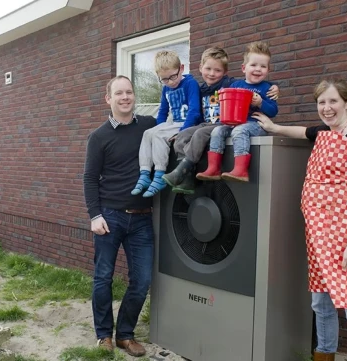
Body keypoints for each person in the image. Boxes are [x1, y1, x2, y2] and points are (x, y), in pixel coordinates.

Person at [256, 78, 347, 361]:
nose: (327, 108)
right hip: (323, 236)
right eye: (322, 102)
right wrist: (274, 128)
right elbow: (304, 132)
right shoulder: (324, 132)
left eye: (333, 101)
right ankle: (324, 355)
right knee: (321, 303)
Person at [82, 75, 154, 357]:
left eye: (129, 92)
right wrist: (95, 215)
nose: (125, 97)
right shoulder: (99, 137)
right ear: (108, 99)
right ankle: (103, 335)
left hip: (143, 218)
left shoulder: (148, 126)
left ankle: (125, 334)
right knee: (103, 278)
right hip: (110, 217)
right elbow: (90, 178)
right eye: (119, 93)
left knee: (142, 280)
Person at [163, 46, 279, 193]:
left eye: (217, 70)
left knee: (201, 134)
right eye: (208, 69)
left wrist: (274, 87)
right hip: (206, 123)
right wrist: (184, 129)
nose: (212, 74)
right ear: (200, 68)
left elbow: (255, 83)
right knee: (182, 136)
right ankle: (187, 177)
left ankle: (183, 169)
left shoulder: (229, 84)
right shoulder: (201, 89)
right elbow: (194, 105)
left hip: (225, 123)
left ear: (224, 72)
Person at [196, 41, 278, 183]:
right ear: (244, 68)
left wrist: (261, 103)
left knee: (239, 131)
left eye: (263, 66)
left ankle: (241, 169)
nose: (258, 69)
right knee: (217, 131)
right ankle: (214, 168)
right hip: (236, 123)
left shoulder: (268, 88)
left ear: (268, 70)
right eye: (253, 65)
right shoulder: (236, 85)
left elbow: (273, 111)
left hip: (257, 125)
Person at [131, 50, 202, 198]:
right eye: (164, 79)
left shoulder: (190, 83)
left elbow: (195, 110)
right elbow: (163, 111)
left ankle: (159, 175)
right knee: (148, 133)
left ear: (181, 68)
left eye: (173, 77)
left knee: (159, 135)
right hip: (173, 123)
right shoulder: (166, 89)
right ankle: (144, 173)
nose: (170, 82)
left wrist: (183, 131)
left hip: (186, 124)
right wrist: (160, 126)